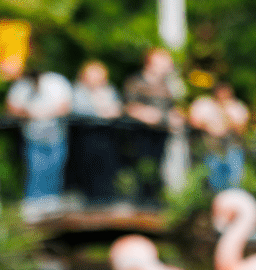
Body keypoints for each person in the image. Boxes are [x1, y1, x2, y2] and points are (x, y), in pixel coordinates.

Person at [6, 67, 72, 223]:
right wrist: (30, 113)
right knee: (36, 168)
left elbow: (66, 105)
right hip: (33, 134)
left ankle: (52, 203)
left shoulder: (56, 81)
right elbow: (12, 108)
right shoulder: (22, 86)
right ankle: (33, 204)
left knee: (55, 166)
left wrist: (48, 113)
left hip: (55, 134)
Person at [124, 47, 183, 208]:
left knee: (157, 170)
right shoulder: (136, 82)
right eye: (164, 62)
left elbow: (171, 108)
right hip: (140, 135)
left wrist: (174, 117)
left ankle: (155, 202)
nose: (168, 65)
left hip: (161, 135)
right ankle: (139, 203)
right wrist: (145, 114)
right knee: (142, 170)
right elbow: (128, 106)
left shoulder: (167, 86)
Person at [71, 60, 122, 208]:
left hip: (106, 137)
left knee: (106, 169)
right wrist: (100, 113)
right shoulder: (78, 91)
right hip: (85, 136)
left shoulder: (109, 90)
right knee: (87, 170)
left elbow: (117, 108)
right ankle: (88, 203)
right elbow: (78, 110)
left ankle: (105, 201)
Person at [189, 82, 249, 191]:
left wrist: (226, 115)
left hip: (232, 146)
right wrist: (208, 125)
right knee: (213, 179)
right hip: (211, 146)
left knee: (234, 179)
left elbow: (242, 130)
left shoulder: (237, 107)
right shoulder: (204, 103)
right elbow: (193, 122)